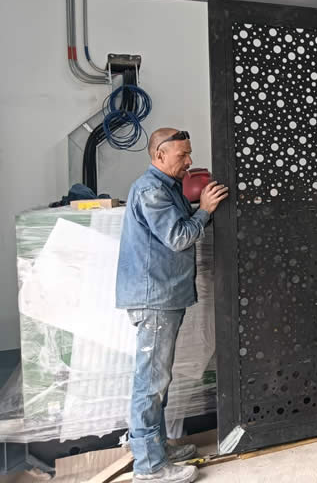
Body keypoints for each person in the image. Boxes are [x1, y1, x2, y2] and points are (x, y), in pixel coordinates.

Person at [116, 128, 228, 483]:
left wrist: (200, 208)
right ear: (159, 155)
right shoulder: (151, 190)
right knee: (151, 383)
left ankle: (157, 448)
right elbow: (178, 237)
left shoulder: (167, 188)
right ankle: (149, 466)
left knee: (157, 381)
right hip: (155, 299)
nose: (189, 161)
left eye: (189, 153)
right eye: (183, 155)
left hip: (164, 296)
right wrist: (205, 210)